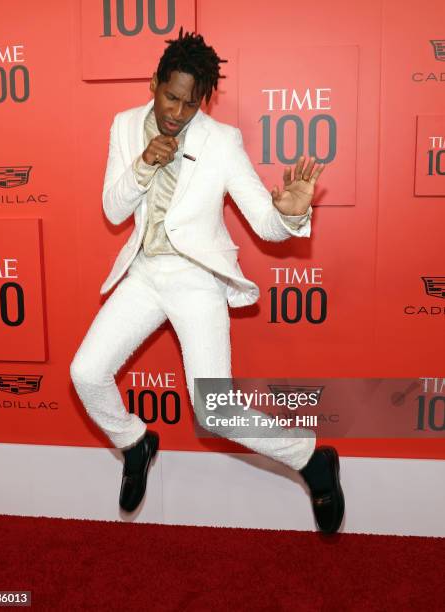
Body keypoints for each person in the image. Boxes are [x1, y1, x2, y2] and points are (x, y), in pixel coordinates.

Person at [70, 27, 344, 534]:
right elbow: (112, 209)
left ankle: (311, 459)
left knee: (213, 412)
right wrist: (142, 165)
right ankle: (134, 442)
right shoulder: (125, 125)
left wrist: (289, 214)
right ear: (154, 84)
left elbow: (263, 220)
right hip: (146, 273)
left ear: (205, 101)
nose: (177, 112)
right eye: (170, 97)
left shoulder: (221, 142)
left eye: (190, 104)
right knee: (86, 373)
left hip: (196, 281)